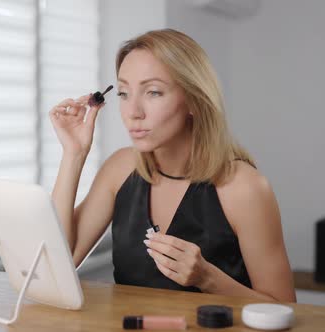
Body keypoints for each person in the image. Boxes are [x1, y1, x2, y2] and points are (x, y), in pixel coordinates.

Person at [49, 29, 296, 302]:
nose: (133, 112)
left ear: (194, 98)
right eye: (123, 93)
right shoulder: (119, 170)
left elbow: (285, 310)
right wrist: (74, 153)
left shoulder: (244, 188)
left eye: (153, 92)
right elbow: (61, 261)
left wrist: (208, 279)